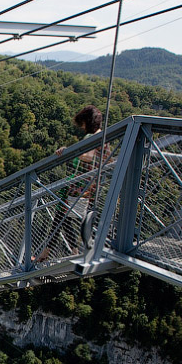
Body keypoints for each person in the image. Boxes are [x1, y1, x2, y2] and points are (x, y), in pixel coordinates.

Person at [34, 105, 110, 263]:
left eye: (82, 122)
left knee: (61, 218)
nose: (82, 126)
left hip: (81, 187)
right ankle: (68, 251)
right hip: (85, 186)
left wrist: (68, 151)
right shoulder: (103, 137)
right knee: (63, 218)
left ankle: (48, 253)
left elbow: (87, 157)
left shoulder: (96, 137)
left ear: (87, 121)